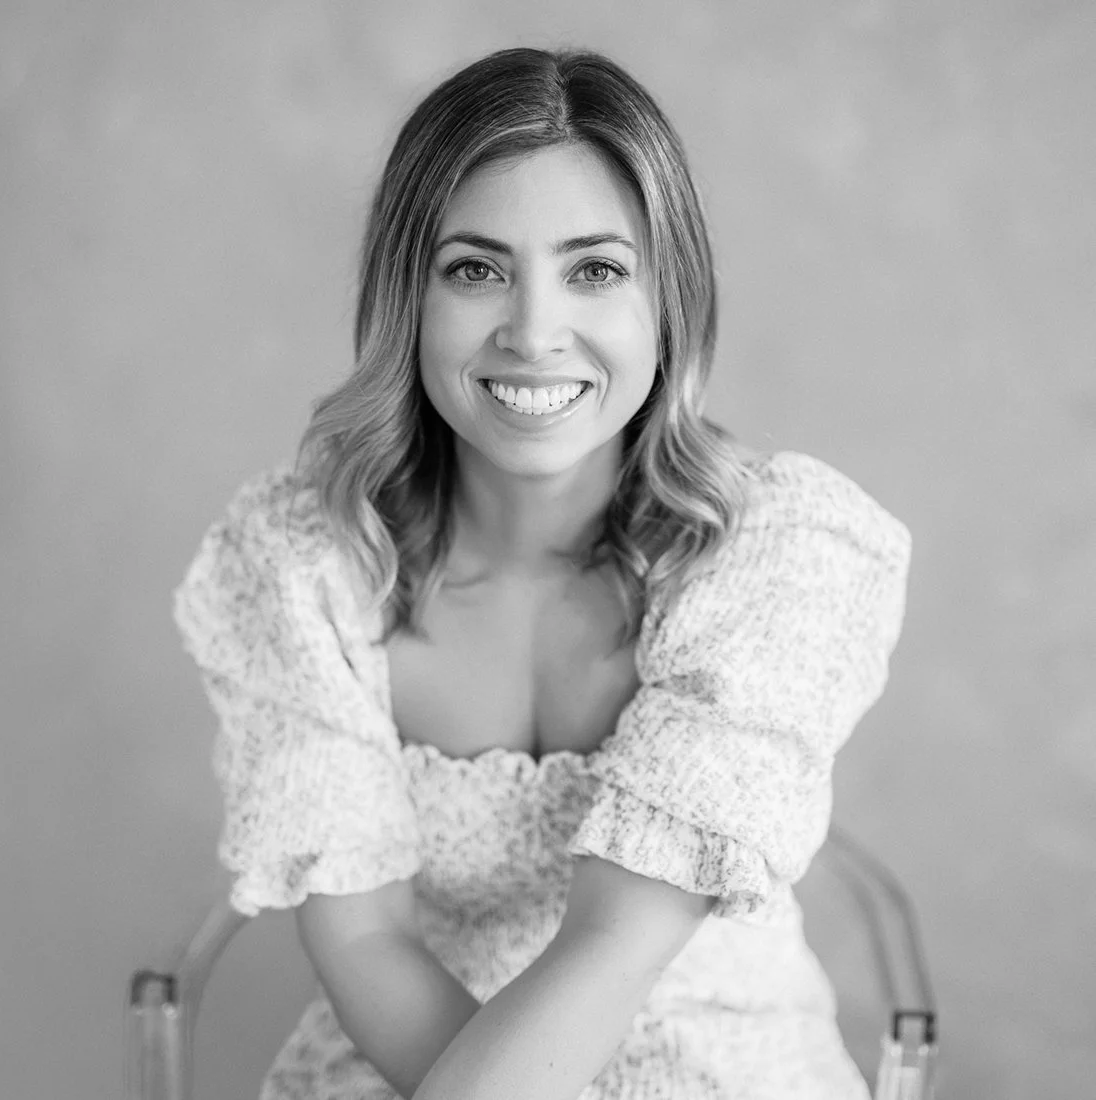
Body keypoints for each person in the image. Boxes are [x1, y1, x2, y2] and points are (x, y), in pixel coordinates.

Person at [174, 46, 912, 1100]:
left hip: (715, 1067)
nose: (531, 333)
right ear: (407, 295)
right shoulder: (302, 561)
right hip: (409, 1056)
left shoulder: (776, 551)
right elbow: (367, 941)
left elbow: (614, 943)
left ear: (668, 298)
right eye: (474, 269)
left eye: (594, 271)